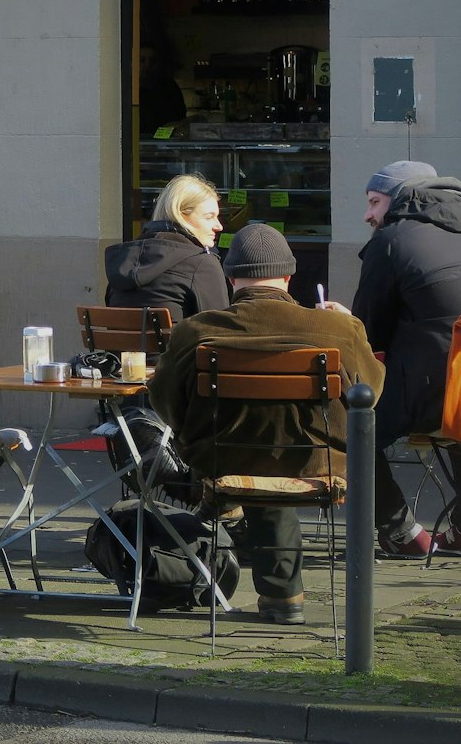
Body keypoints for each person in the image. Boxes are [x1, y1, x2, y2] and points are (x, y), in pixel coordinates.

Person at [148, 224, 382, 624]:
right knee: (278, 449)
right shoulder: (339, 329)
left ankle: (234, 534)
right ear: (289, 277)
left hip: (223, 462)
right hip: (318, 464)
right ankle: (283, 596)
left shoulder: (195, 331)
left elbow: (165, 402)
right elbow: (370, 394)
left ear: (230, 277)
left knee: (254, 448)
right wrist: (353, 324)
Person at [330, 161, 461, 560]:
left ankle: (401, 530)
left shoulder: (391, 241)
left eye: (374, 202)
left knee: (340, 419)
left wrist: (343, 321)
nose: (368, 214)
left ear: (400, 199)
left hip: (438, 393)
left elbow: (368, 336)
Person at [103, 173, 229, 321]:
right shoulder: (202, 264)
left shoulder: (122, 263)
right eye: (209, 217)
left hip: (120, 344)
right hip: (177, 344)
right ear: (181, 215)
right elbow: (220, 330)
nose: (219, 226)